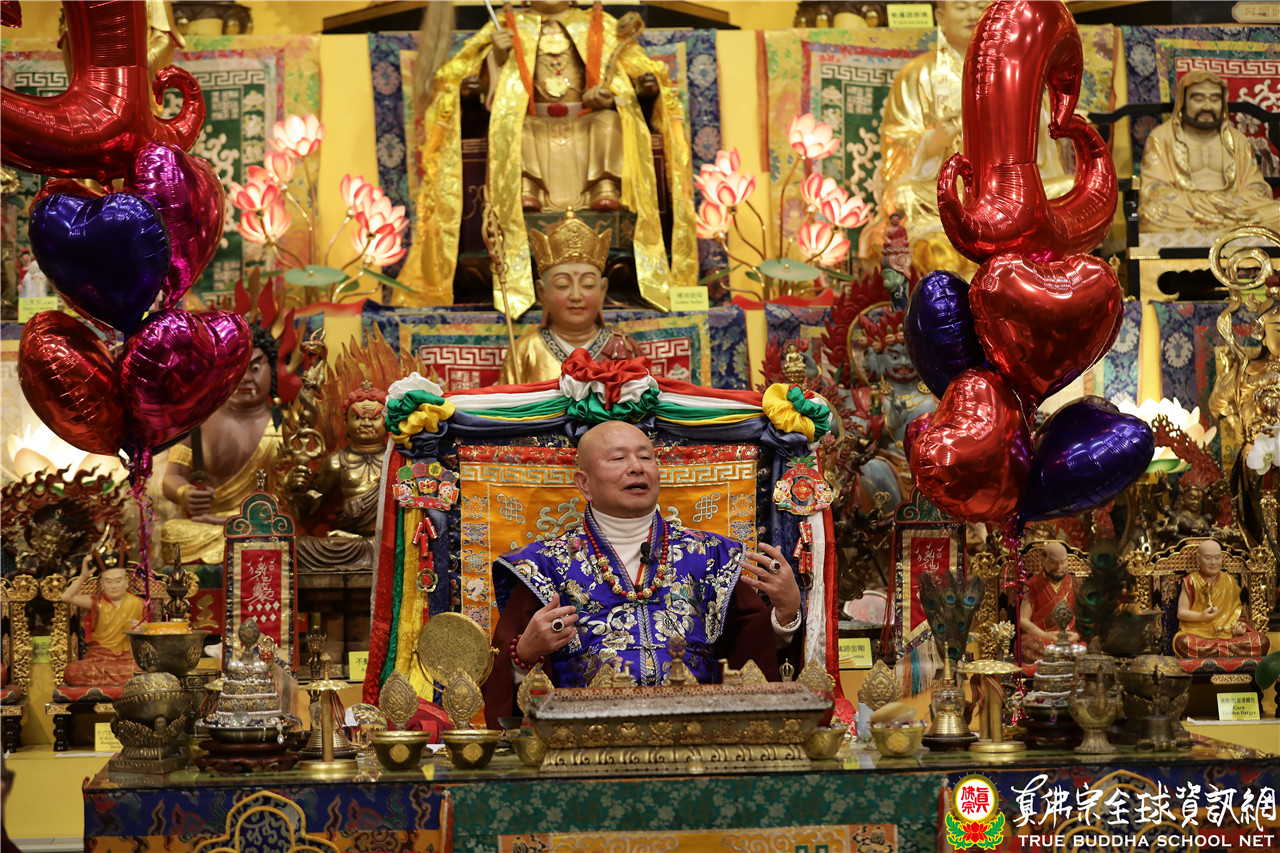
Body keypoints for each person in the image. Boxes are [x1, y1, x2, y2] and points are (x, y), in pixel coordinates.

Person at [482, 421, 803, 725]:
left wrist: (785, 614)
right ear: (584, 483)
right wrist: (524, 654)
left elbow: (748, 653)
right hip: (583, 742)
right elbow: (504, 682)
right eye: (618, 458)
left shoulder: (712, 556)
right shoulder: (544, 565)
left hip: (696, 737)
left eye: (646, 457)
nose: (636, 467)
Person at [398, 0, 696, 315]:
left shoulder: (600, 26)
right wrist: (496, 58)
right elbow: (458, 81)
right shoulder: (509, 26)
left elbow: (643, 79)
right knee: (517, 130)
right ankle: (528, 189)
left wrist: (621, 94)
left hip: (586, 118)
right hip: (534, 119)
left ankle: (603, 187)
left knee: (610, 124)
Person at [860, 0, 1071, 277]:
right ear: (940, 16)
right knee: (902, 196)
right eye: (961, 7)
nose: (972, 14)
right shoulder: (918, 74)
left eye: (980, 6)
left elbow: (1044, 133)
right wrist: (934, 140)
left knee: (1068, 188)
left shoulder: (1014, 70)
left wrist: (1019, 122)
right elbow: (895, 145)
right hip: (945, 191)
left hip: (1008, 190)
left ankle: (997, 236)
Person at [160, 328, 281, 564]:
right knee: (172, 532)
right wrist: (185, 493)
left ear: (272, 371)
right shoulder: (200, 422)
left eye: (255, 368)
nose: (246, 378)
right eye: (238, 370)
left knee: (287, 534)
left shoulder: (285, 425)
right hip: (209, 526)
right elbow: (172, 477)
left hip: (265, 526)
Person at [499, 211, 639, 384]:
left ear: (603, 290)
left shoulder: (623, 348)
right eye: (562, 285)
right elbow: (506, 400)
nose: (576, 296)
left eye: (588, 284)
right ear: (542, 292)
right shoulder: (524, 350)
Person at [1139, 70, 1280, 234]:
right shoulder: (1162, 137)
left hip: (1233, 206)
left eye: (1214, 99)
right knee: (1150, 214)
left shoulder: (1238, 140)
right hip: (1188, 209)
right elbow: (1153, 190)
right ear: (1182, 102)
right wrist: (1204, 202)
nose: (1207, 106)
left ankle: (1225, 223)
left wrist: (1231, 202)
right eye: (1198, 99)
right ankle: (1231, 225)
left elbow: (1257, 188)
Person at [286, 382, 387, 571]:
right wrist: (293, 487)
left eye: (374, 418)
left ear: (388, 423)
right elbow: (308, 509)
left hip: (387, 541)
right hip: (348, 543)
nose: (366, 424)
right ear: (346, 424)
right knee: (298, 548)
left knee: (403, 548)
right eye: (357, 417)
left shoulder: (397, 460)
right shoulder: (336, 461)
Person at [60, 543, 147, 685]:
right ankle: (127, 681)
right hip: (99, 659)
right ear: (102, 583)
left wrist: (141, 630)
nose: (114, 586)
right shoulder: (97, 603)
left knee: (142, 669)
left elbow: (150, 635)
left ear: (126, 581)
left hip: (128, 659)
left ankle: (120, 679)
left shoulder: (139, 603)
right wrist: (83, 576)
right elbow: (66, 597)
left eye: (118, 581)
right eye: (108, 581)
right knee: (72, 671)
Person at [1173, 539, 1270, 658]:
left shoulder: (1229, 581)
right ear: (1198, 559)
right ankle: (1225, 651)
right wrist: (1201, 616)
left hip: (1227, 634)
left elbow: (1238, 613)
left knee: (1262, 640)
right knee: (1182, 642)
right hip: (1199, 633)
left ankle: (1218, 650)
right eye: (1208, 558)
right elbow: (1181, 613)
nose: (1213, 562)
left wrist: (1239, 626)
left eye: (1217, 557)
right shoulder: (1191, 581)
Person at [1018, 541, 1080, 661]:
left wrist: (1077, 635)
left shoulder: (1075, 583)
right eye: (1053, 562)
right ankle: (1065, 657)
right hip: (1043, 639)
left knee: (1091, 642)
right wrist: (1046, 635)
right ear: (1043, 560)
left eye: (1063, 562)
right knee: (1024, 646)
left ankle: (1059, 656)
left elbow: (1086, 617)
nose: (1059, 568)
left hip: (1070, 640)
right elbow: (1023, 620)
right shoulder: (1031, 585)